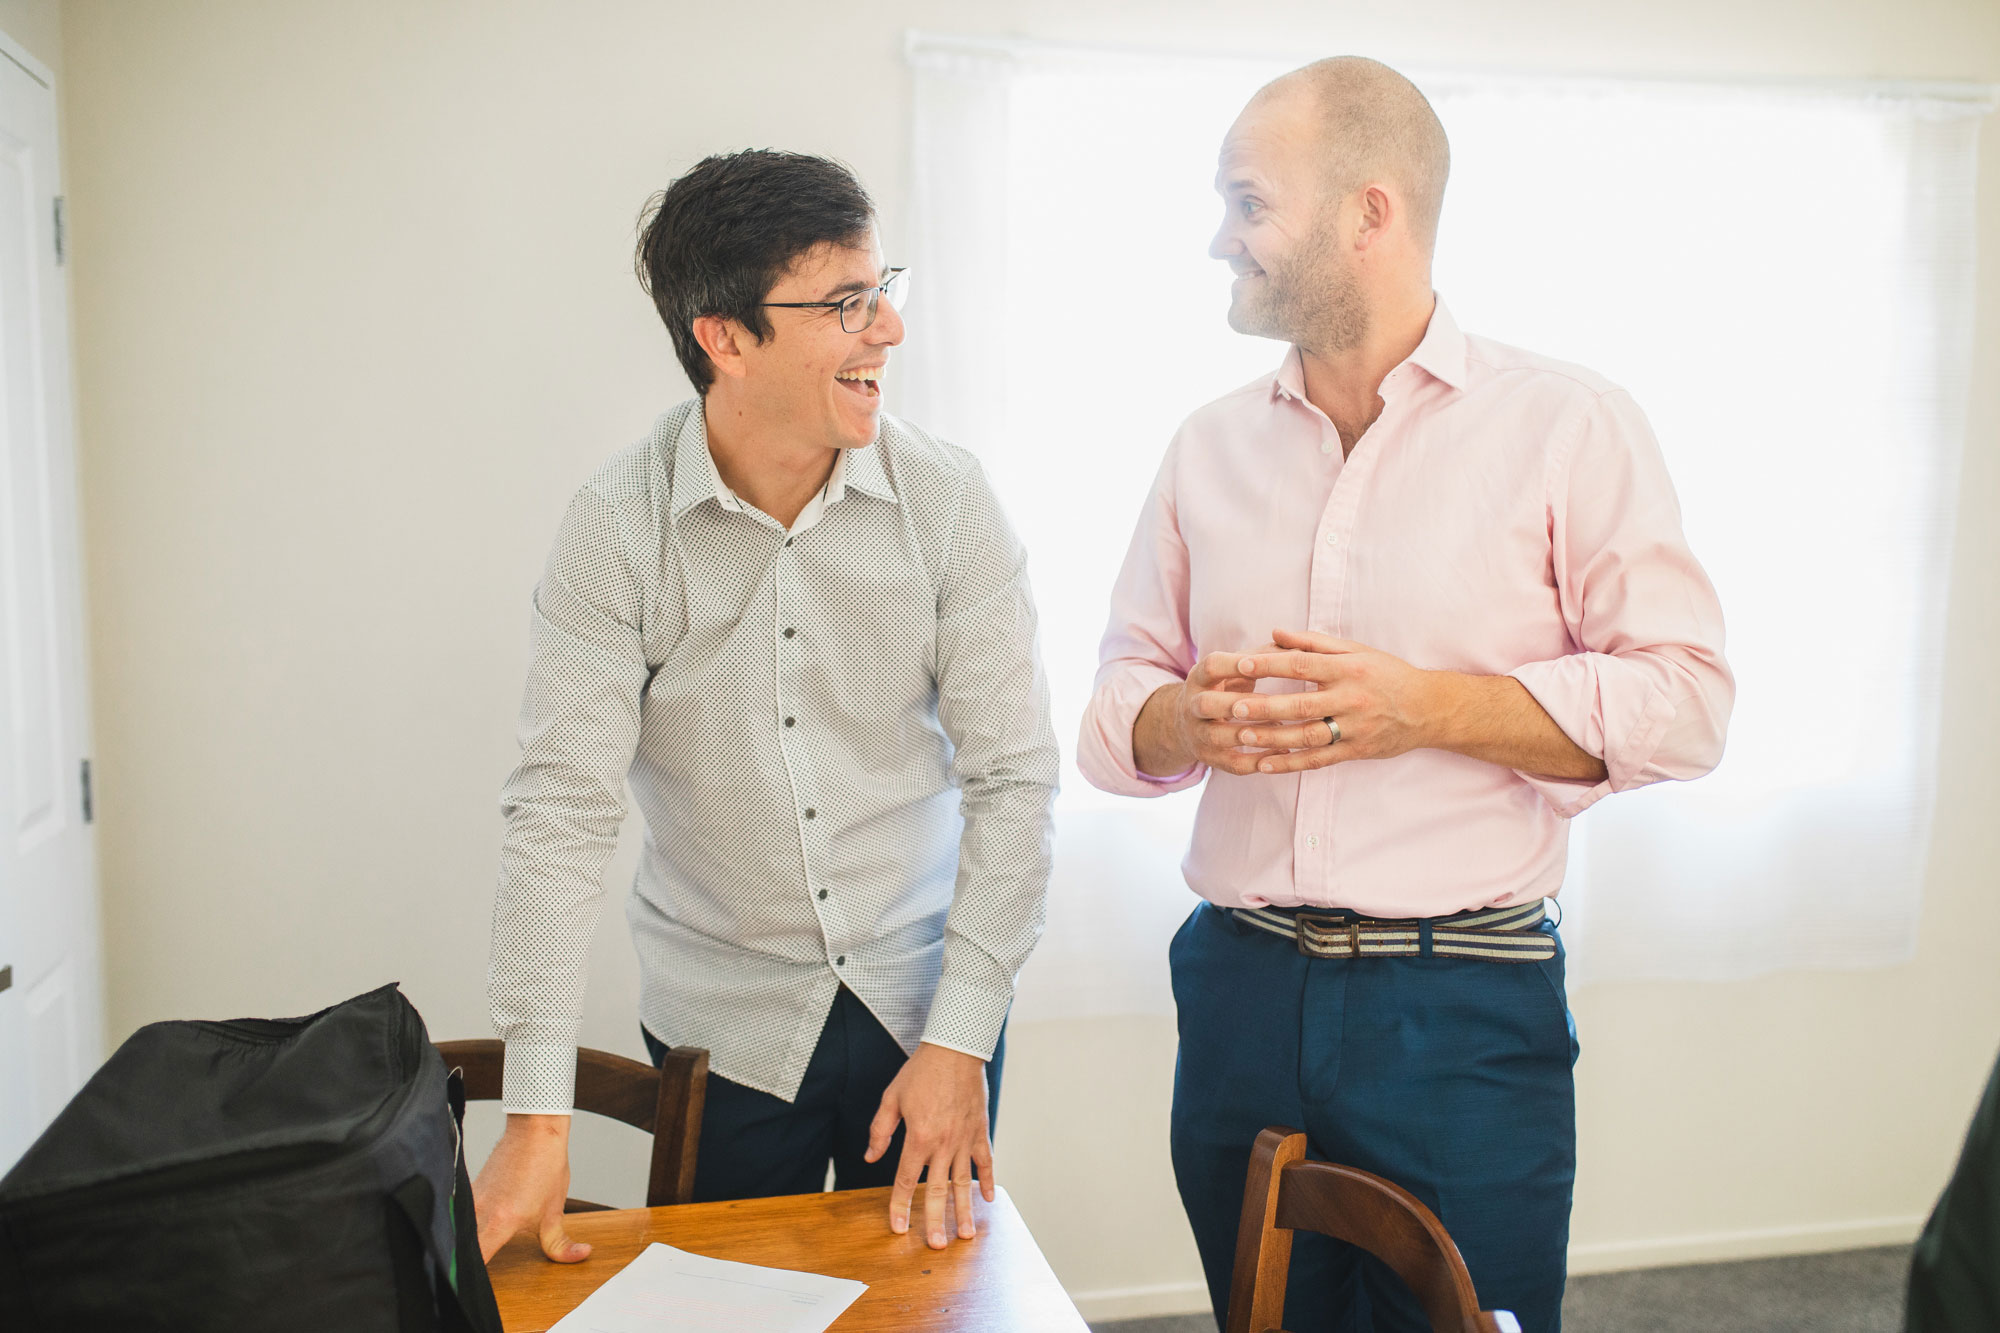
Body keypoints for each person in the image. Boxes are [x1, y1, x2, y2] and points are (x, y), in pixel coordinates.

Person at [1077, 57, 1734, 1333]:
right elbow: (1114, 711)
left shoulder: (1568, 424)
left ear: (1368, 212)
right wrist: (1183, 720)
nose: (1220, 239)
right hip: (1238, 997)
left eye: (1246, 202)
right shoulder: (1203, 445)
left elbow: (1687, 699)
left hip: (1460, 1005)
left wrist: (1421, 708)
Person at [473, 150, 1057, 1265]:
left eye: (884, 289)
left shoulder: (949, 501)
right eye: (845, 303)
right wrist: (536, 1117)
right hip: (721, 1022)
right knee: (728, 1306)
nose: (885, 329)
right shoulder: (614, 528)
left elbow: (1013, 777)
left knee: (925, 1298)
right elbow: (560, 815)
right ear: (724, 339)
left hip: (926, 1002)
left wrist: (964, 1039)